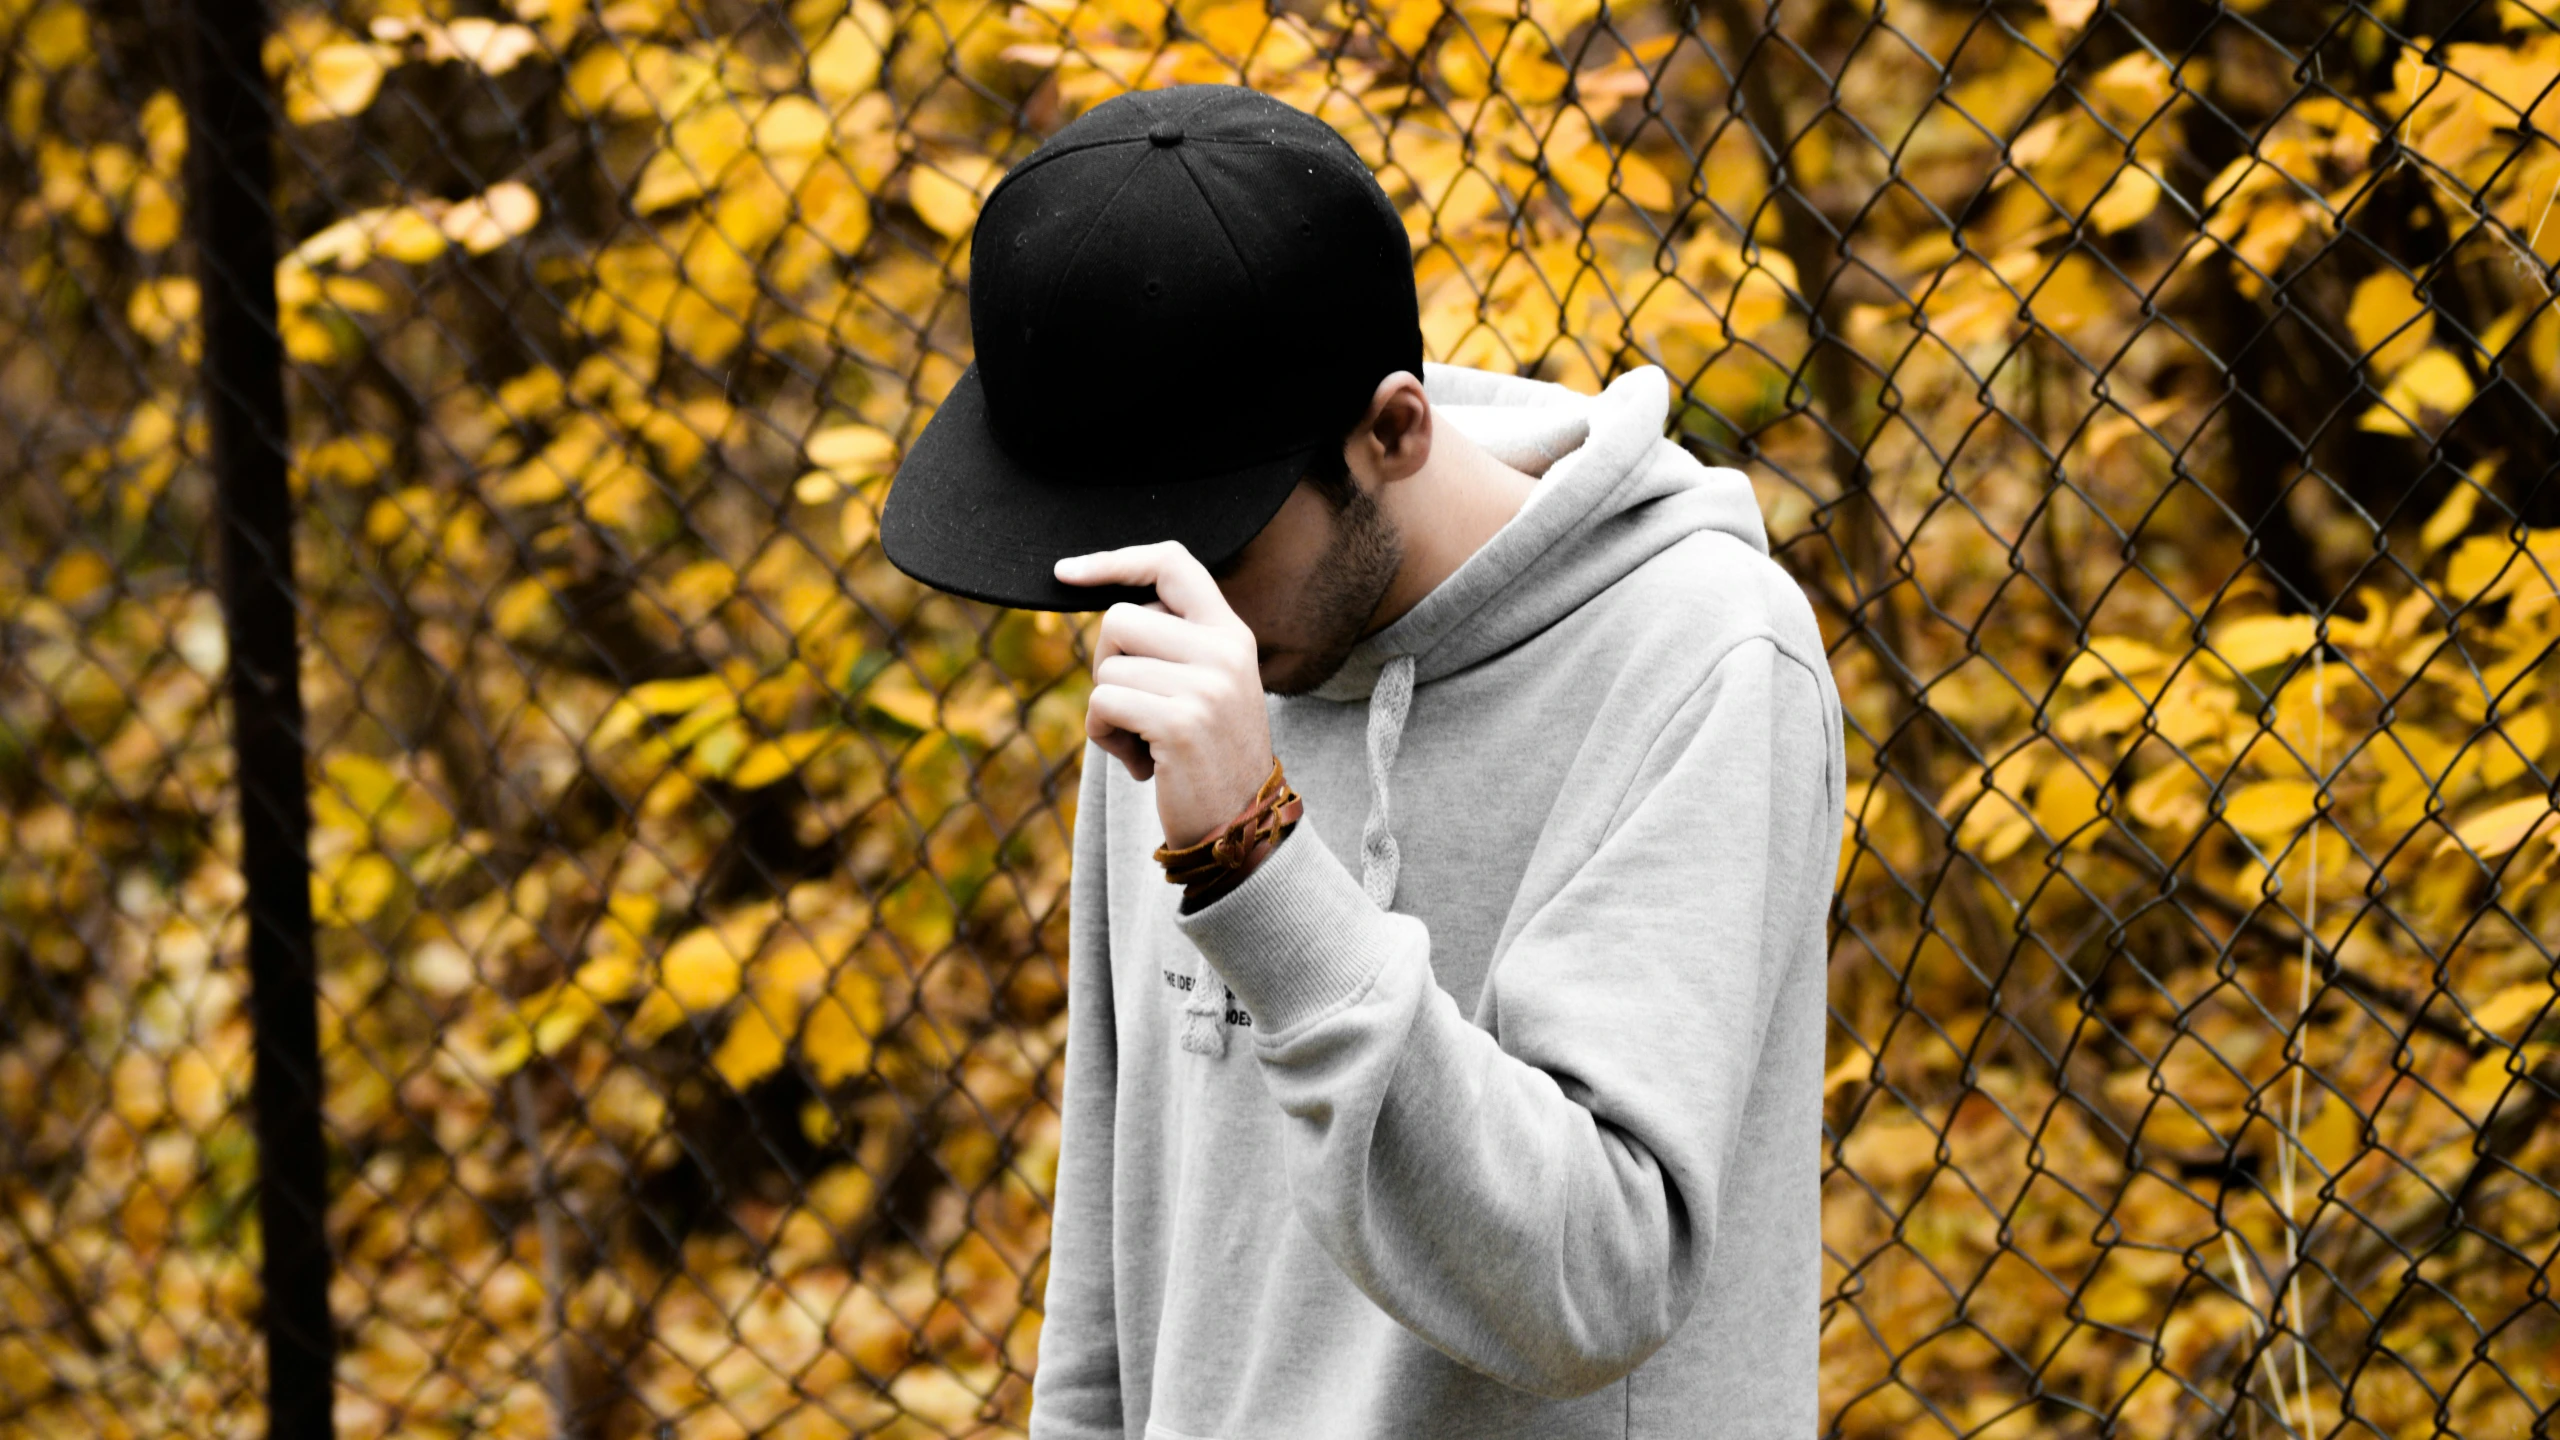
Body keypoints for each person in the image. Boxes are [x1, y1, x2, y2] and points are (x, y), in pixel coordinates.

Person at [879, 81, 1844, 1440]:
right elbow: (1116, 1266)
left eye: (1212, 545)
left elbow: (1594, 1281)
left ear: (1393, 430)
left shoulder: (1702, 655)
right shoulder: (1187, 649)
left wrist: (1262, 870)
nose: (1164, 612)